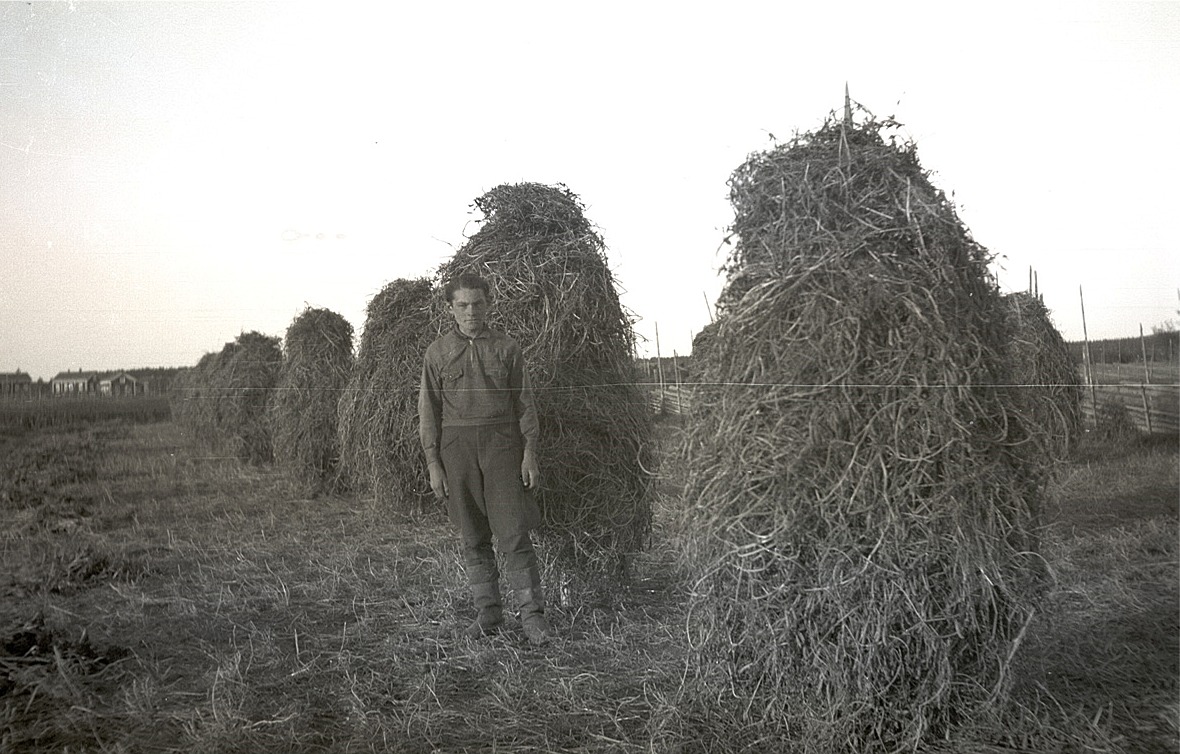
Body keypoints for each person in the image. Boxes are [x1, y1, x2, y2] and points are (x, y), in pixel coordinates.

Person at [418, 273, 554, 644]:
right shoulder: (437, 353)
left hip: (502, 447)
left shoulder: (507, 349)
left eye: (477, 304)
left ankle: (532, 619)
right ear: (451, 309)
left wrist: (530, 453)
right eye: (462, 305)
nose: (470, 312)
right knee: (473, 538)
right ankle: (489, 614)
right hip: (457, 450)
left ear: (488, 304)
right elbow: (428, 411)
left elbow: (525, 404)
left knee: (514, 535)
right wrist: (433, 463)